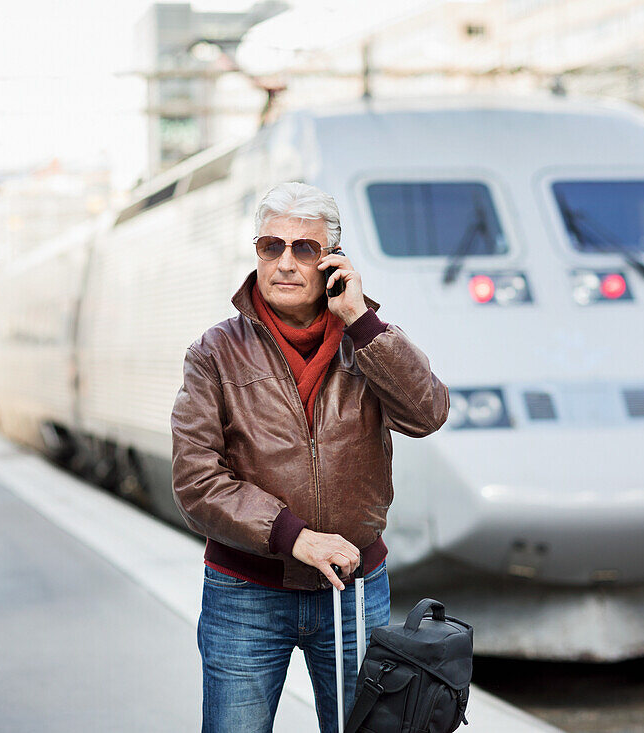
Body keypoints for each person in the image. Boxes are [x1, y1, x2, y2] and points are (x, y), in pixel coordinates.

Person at [171, 181, 449, 732]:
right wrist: (293, 537)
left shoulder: (368, 341)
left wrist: (362, 321)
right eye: (271, 246)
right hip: (245, 595)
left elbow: (427, 414)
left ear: (333, 262)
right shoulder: (214, 352)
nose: (285, 262)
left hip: (354, 594)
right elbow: (197, 479)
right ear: (257, 253)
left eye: (305, 249)